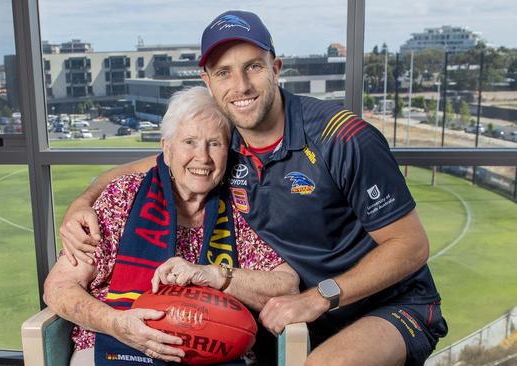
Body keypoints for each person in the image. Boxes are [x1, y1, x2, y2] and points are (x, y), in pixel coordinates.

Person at [59, 10, 448, 366]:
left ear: (275, 68)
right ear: (208, 82)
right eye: (224, 72)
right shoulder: (223, 146)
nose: (241, 85)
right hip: (295, 312)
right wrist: (82, 203)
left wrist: (318, 296)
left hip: (387, 306)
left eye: (253, 67)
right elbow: (136, 170)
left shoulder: (342, 138)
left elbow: (411, 246)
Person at [44, 86, 299, 365]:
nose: (202, 157)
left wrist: (214, 276)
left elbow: (287, 284)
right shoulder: (124, 198)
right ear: (166, 149)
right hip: (113, 340)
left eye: (215, 143)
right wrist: (114, 322)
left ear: (228, 152)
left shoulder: (240, 208)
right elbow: (58, 287)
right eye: (189, 142)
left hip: (211, 351)